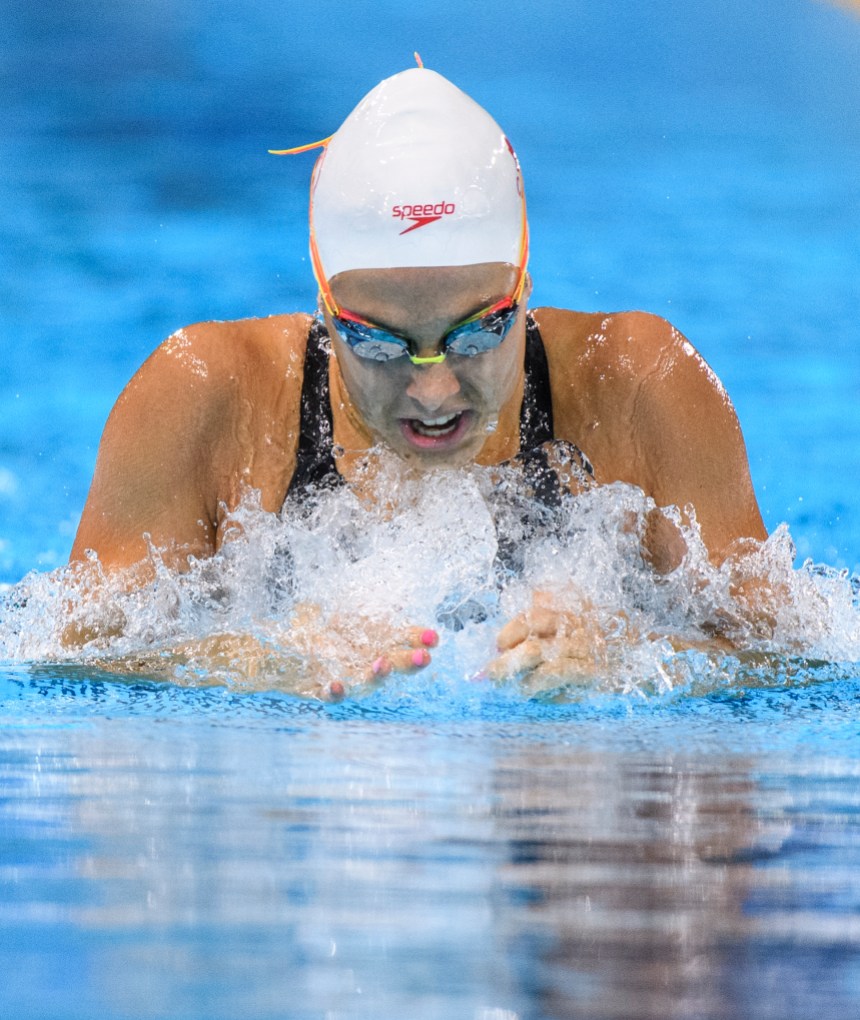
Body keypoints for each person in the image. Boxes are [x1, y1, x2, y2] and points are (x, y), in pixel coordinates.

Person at [68, 65, 768, 691]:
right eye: (377, 342)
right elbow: (60, 658)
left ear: (525, 282)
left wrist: (637, 656)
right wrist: (250, 658)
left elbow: (798, 657)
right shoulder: (207, 393)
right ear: (324, 301)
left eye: (480, 330)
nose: (433, 391)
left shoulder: (643, 384)